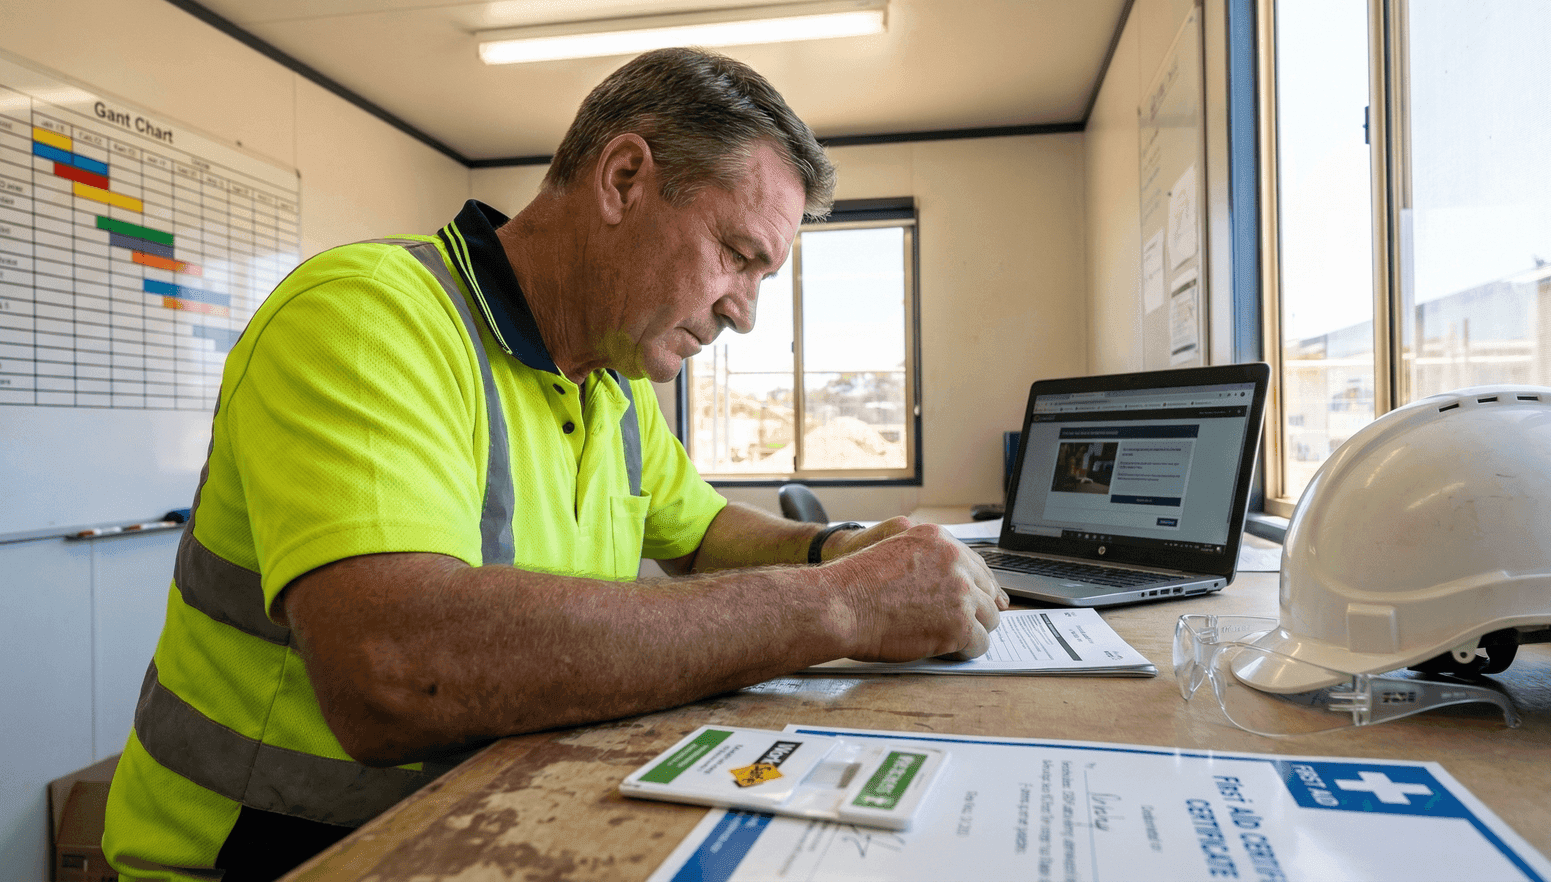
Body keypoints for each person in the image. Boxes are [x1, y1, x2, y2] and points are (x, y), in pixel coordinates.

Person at [104, 47, 1006, 880]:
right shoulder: (366, 319)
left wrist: (845, 548)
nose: (746, 315)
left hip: (479, 819)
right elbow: (393, 665)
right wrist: (843, 602)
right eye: (738, 257)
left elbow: (703, 531)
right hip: (276, 853)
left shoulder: (610, 386)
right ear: (624, 180)